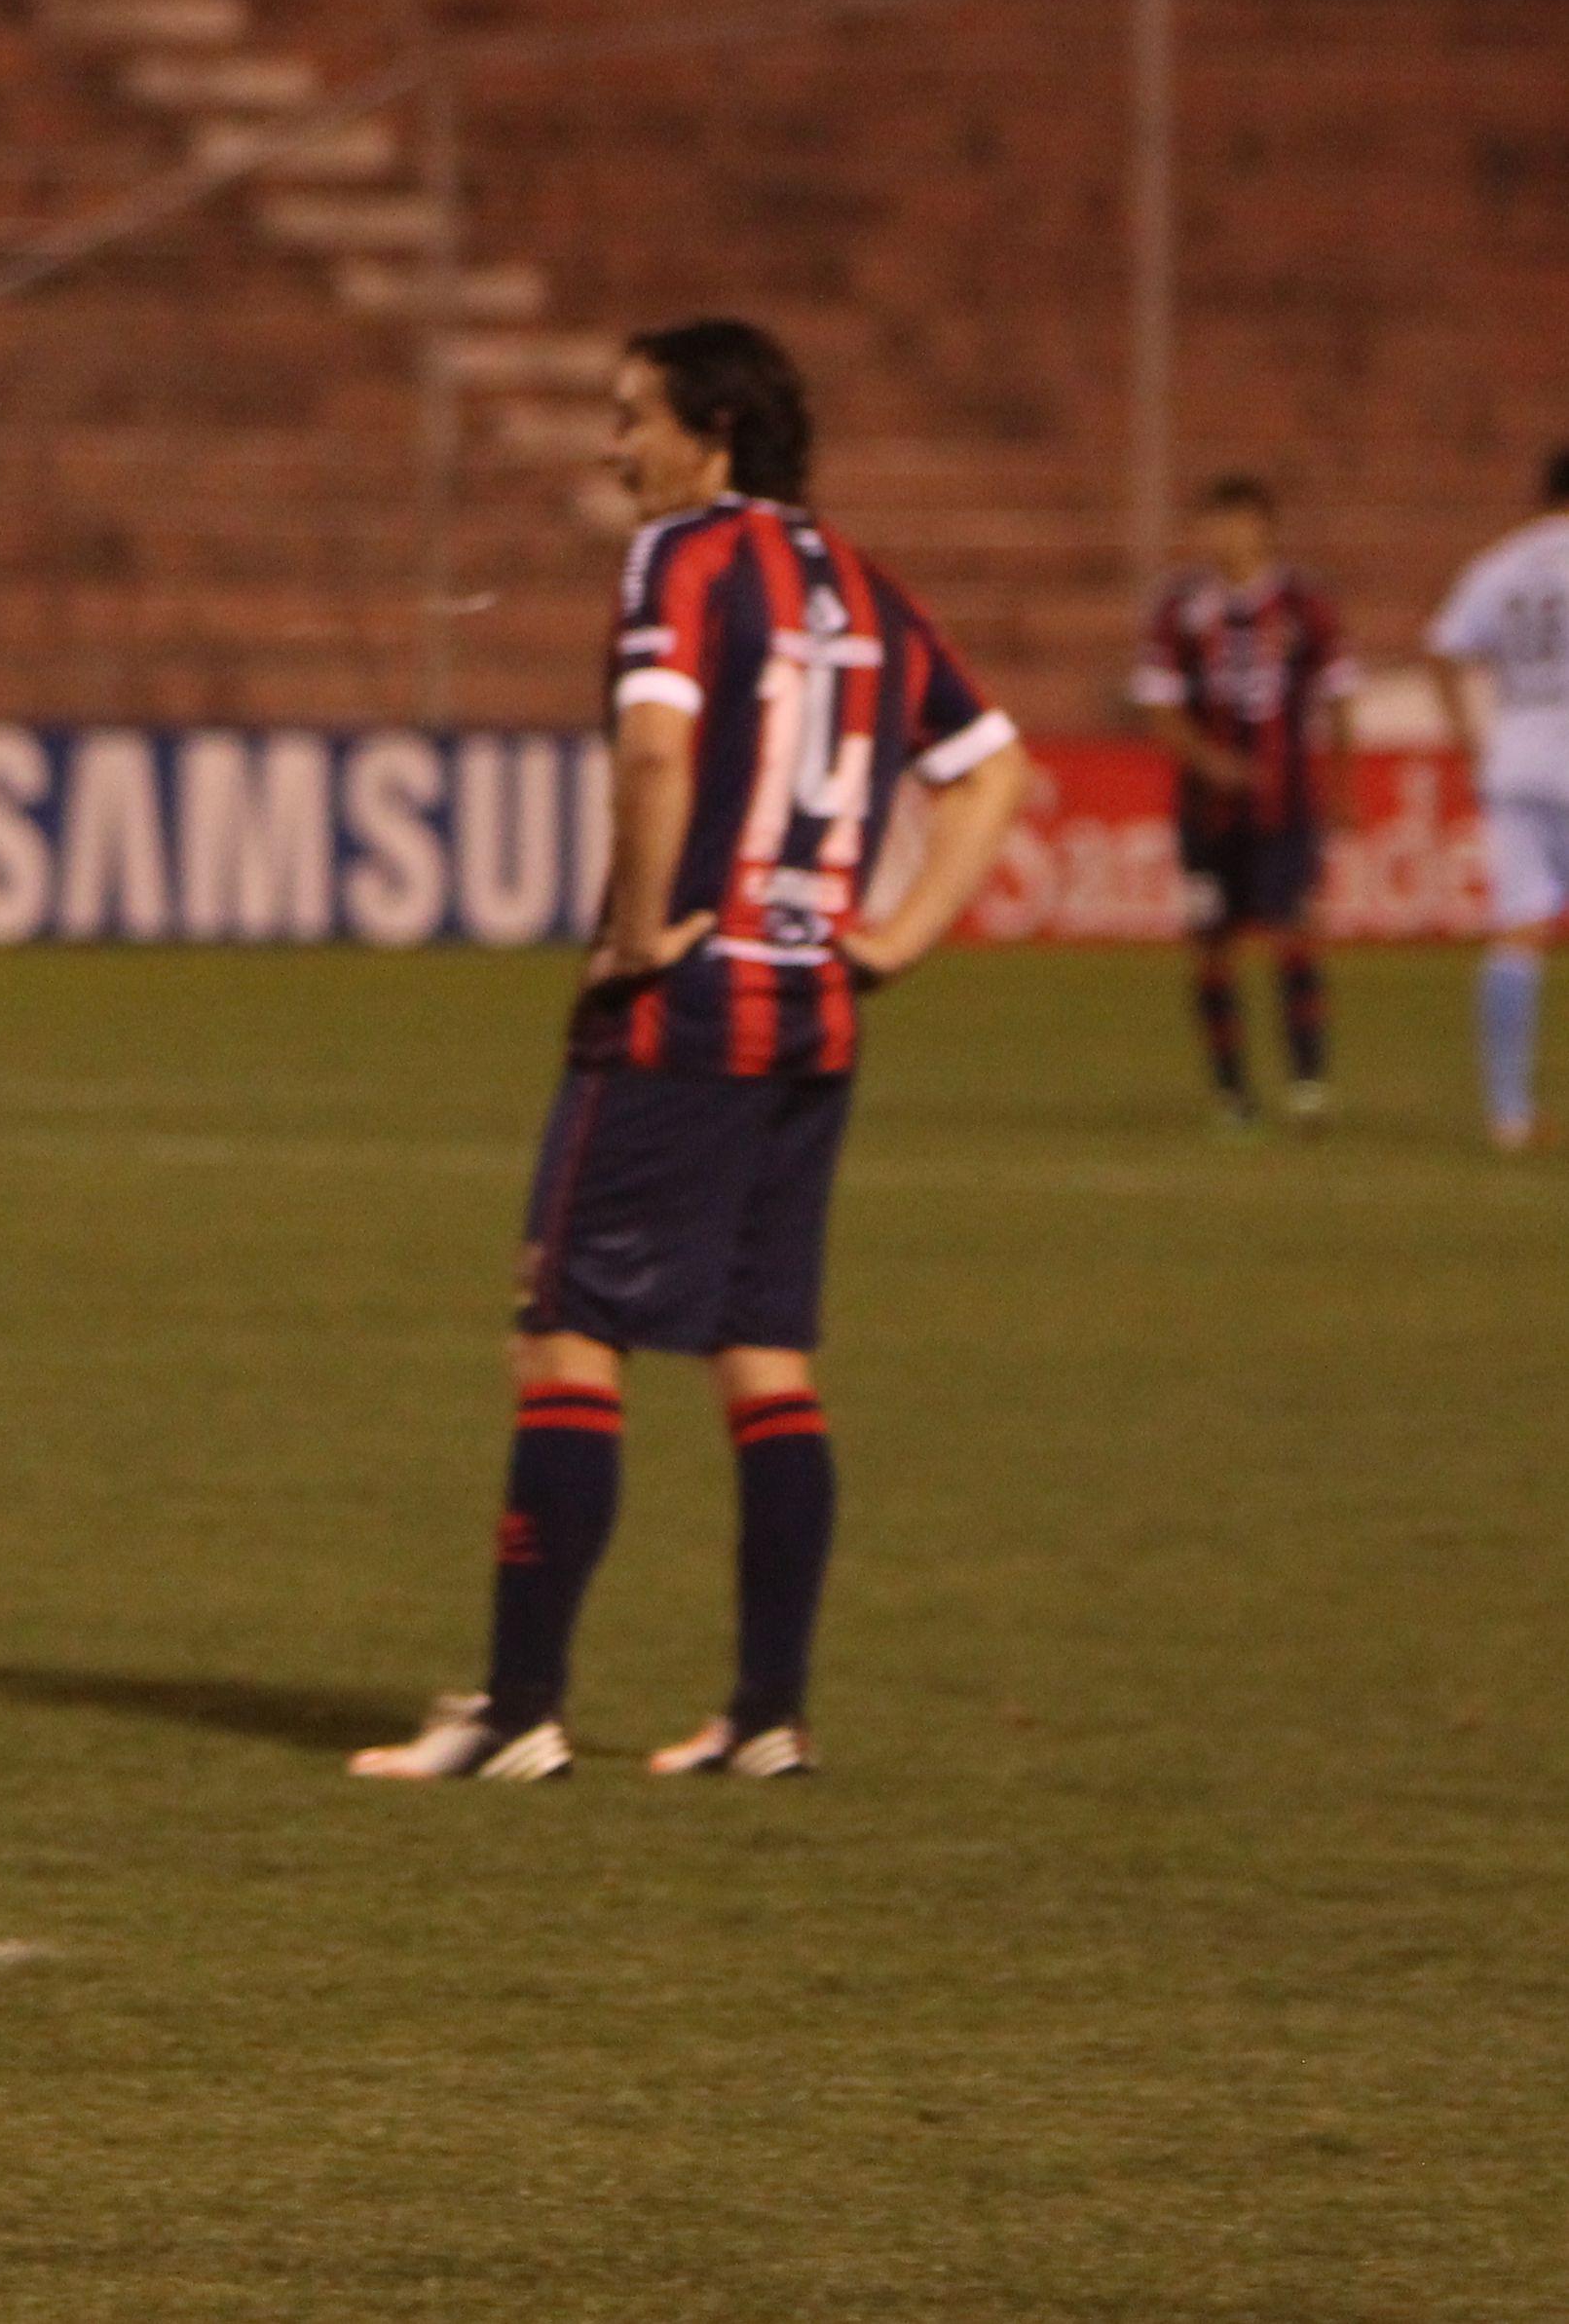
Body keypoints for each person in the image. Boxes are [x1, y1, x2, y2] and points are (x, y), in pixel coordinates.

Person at [350, 319, 1027, 1785]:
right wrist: (896, 935)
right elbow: (991, 768)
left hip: (688, 1007)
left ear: (710, 432)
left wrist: (641, 931)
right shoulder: (864, 579)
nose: (613, 445)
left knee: (564, 1330)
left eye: (631, 416)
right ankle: (765, 1714)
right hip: (814, 1017)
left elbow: (656, 751)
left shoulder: (684, 561)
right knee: (762, 1348)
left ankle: (519, 1711)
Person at [1129, 477, 1358, 1131]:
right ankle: (1232, 1094)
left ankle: (1307, 1084)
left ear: (1262, 525)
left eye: (1230, 521)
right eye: (1209, 522)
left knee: (1295, 933)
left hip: (1287, 807)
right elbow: (1159, 706)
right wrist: (1209, 761)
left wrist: (1343, 787)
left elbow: (1339, 697)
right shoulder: (1180, 608)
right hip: (1206, 813)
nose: (1217, 536)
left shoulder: (1305, 605)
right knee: (1211, 946)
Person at [1428, 446, 1569, 1153]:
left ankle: (1510, 1114)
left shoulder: (1502, 565)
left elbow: (1443, 648)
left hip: (1516, 758)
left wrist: (1471, 742)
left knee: (1518, 929)